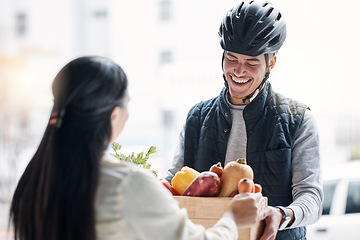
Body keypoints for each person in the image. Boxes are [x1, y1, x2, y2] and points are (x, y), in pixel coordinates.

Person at [9, 56, 270, 240]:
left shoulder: (33, 182)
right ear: (113, 114)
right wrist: (233, 219)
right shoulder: (127, 184)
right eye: (127, 104)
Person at [166, 1, 323, 239]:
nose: (239, 71)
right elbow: (171, 182)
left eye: (251, 63)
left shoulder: (298, 120)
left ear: (271, 62)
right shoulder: (196, 118)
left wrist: (282, 215)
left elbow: (311, 197)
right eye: (232, 59)